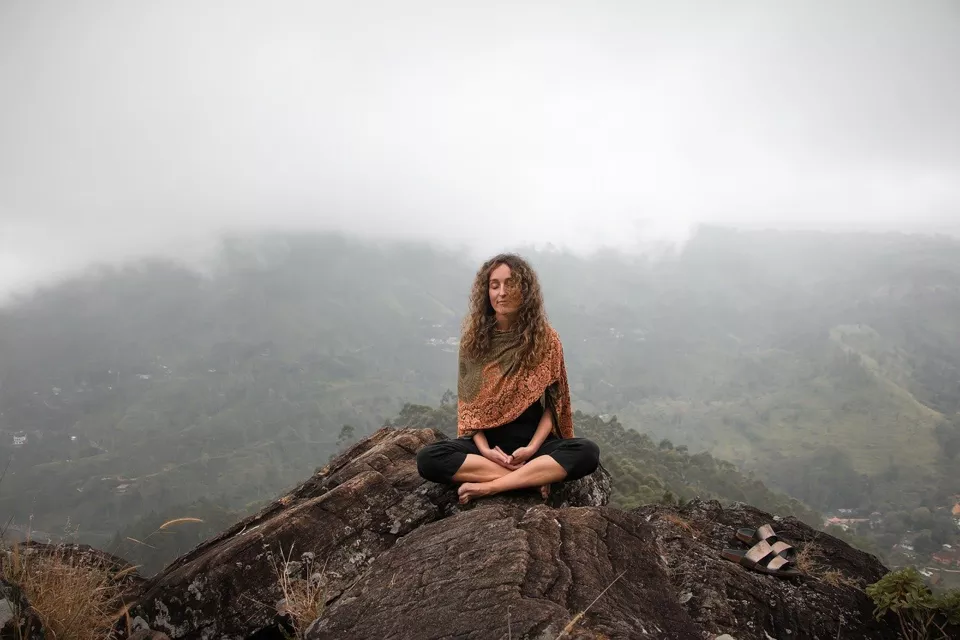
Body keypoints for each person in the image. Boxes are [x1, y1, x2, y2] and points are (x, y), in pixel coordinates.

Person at [416, 253, 600, 504]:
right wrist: (486, 451)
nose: (501, 292)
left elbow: (554, 406)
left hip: (533, 444)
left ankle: (491, 486)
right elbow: (470, 411)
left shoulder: (546, 340)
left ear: (525, 290)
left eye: (510, 284)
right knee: (428, 459)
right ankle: (530, 480)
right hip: (488, 447)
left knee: (587, 452)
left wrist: (533, 449)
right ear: (486, 292)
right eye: (494, 285)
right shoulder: (473, 343)